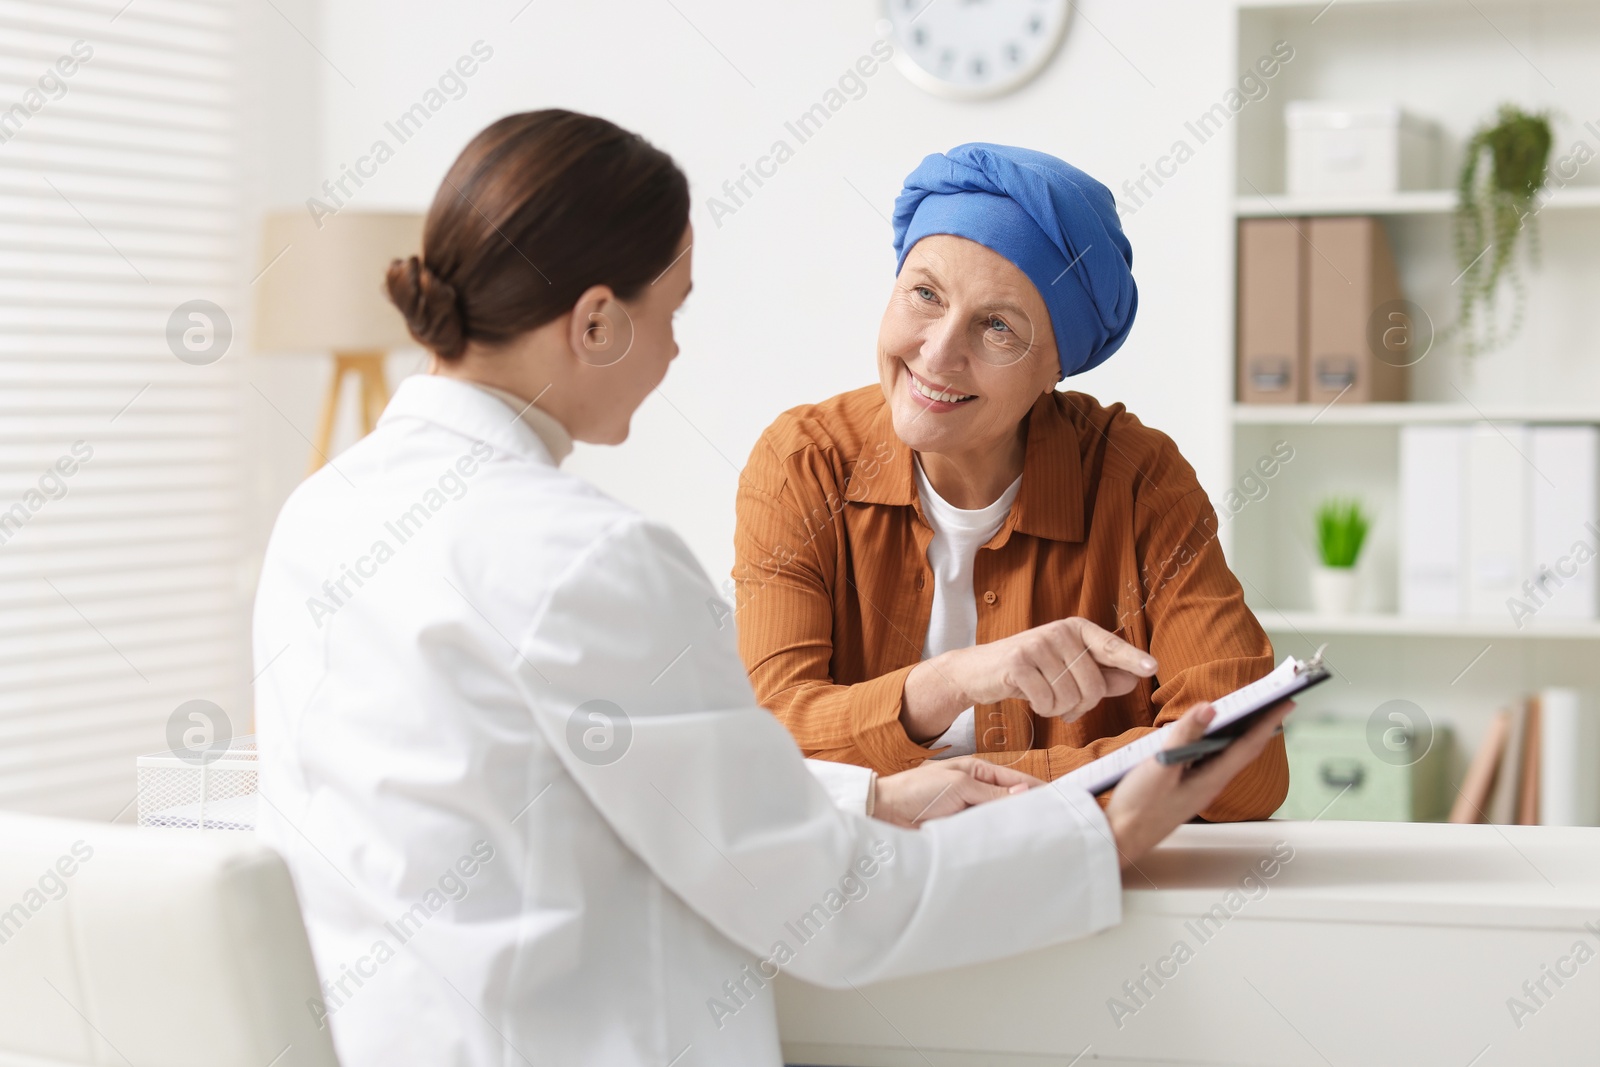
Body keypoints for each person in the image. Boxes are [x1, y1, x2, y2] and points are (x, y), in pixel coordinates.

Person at [252, 111, 1292, 1067]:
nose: (675, 345)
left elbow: (618, 794)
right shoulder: (592, 554)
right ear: (598, 321)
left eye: (998, 327)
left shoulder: (320, 515)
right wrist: (1100, 832)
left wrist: (874, 790)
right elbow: (823, 903)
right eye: (675, 310)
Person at [732, 143, 1288, 821]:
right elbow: (766, 745)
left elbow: (1244, 763)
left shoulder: (1139, 481)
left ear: (1057, 366)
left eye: (997, 326)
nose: (936, 353)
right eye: (925, 294)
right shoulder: (805, 461)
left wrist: (940, 793)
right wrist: (956, 679)